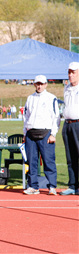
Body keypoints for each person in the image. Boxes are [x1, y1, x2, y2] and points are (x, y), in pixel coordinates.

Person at [23, 75, 60, 195]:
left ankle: (52, 186)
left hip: (46, 132)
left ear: (46, 84)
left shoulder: (51, 98)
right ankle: (33, 186)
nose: (39, 86)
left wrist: (53, 134)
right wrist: (25, 133)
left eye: (42, 83)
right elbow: (26, 117)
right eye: (37, 84)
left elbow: (56, 118)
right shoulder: (30, 98)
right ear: (34, 84)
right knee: (31, 161)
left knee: (48, 160)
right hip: (31, 133)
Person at [60, 62, 79, 195]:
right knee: (70, 157)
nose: (70, 75)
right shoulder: (66, 88)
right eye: (69, 72)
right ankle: (72, 186)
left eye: (73, 72)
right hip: (67, 124)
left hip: (78, 123)